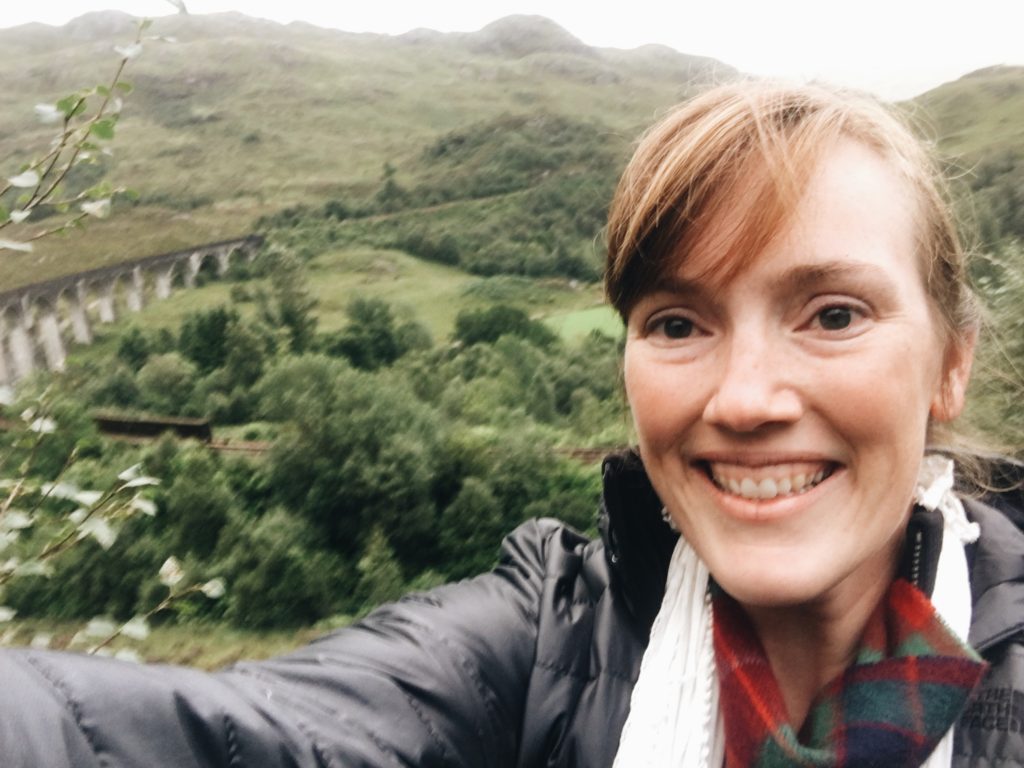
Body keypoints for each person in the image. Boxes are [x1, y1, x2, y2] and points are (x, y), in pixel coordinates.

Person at [1, 80, 1022, 768]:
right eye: (676, 322)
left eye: (832, 315)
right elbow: (236, 735)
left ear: (949, 362)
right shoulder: (539, 647)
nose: (745, 399)